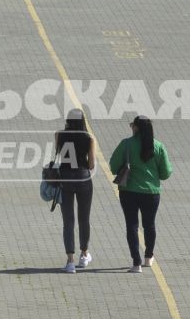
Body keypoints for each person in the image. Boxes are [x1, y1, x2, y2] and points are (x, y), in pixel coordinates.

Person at [109, 115, 172, 271]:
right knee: (149, 225)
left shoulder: (127, 144)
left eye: (132, 125)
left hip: (128, 191)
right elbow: (165, 173)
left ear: (136, 128)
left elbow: (113, 166)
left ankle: (136, 263)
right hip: (151, 193)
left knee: (132, 225)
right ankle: (148, 257)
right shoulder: (158, 146)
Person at [51, 111, 95, 273]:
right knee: (84, 218)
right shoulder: (89, 138)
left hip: (65, 179)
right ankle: (84, 255)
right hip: (83, 179)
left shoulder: (59, 135)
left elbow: (59, 155)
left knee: (68, 220)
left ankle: (70, 261)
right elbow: (91, 164)